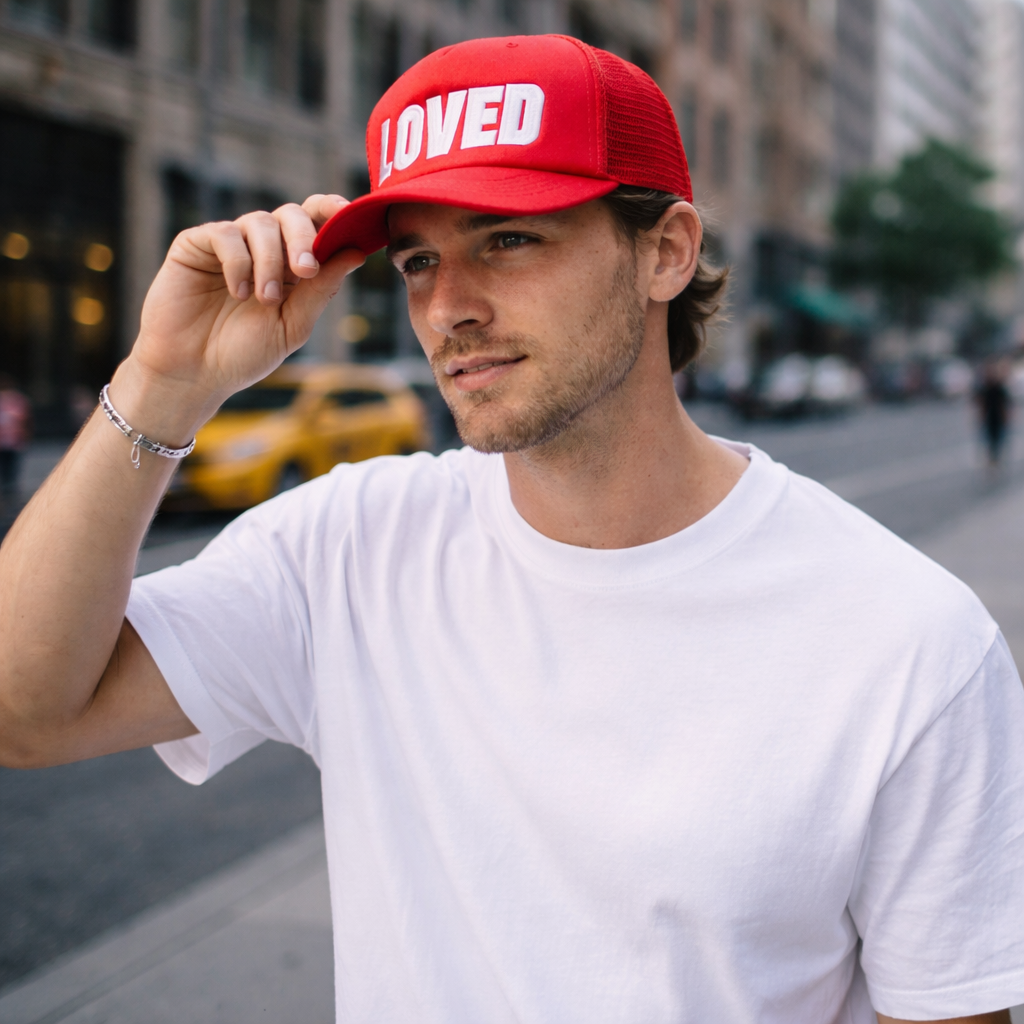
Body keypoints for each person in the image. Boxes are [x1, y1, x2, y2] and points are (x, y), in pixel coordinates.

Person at [1, 36, 1022, 1024]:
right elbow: (24, 711)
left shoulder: (907, 643)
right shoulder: (351, 550)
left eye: (508, 240)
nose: (448, 308)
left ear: (664, 251)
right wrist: (165, 384)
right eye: (414, 261)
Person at [0, 373, 31, 506]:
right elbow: (26, 420)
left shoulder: (18, 400)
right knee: (8, 467)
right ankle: (7, 491)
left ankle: (9, 491)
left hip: (13, 440)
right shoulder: (19, 400)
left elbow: (26, 419)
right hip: (10, 440)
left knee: (10, 467)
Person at [975, 358, 1013, 466]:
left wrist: (1006, 417)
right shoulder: (984, 387)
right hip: (989, 417)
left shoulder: (999, 387)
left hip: (998, 417)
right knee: (989, 441)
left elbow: (1005, 403)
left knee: (998, 441)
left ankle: (995, 460)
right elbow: (980, 402)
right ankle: (992, 460)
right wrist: (980, 417)